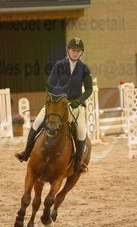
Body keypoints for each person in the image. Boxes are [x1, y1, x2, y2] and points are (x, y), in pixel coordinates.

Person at [15, 37, 93, 173]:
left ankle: (78, 163)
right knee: (37, 122)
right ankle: (26, 152)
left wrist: (78, 101)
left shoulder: (84, 68)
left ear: (81, 53)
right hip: (57, 103)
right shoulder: (59, 65)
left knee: (81, 131)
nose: (75, 53)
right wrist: (58, 96)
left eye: (78, 51)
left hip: (75, 106)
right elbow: (50, 84)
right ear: (68, 50)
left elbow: (89, 89)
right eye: (73, 50)